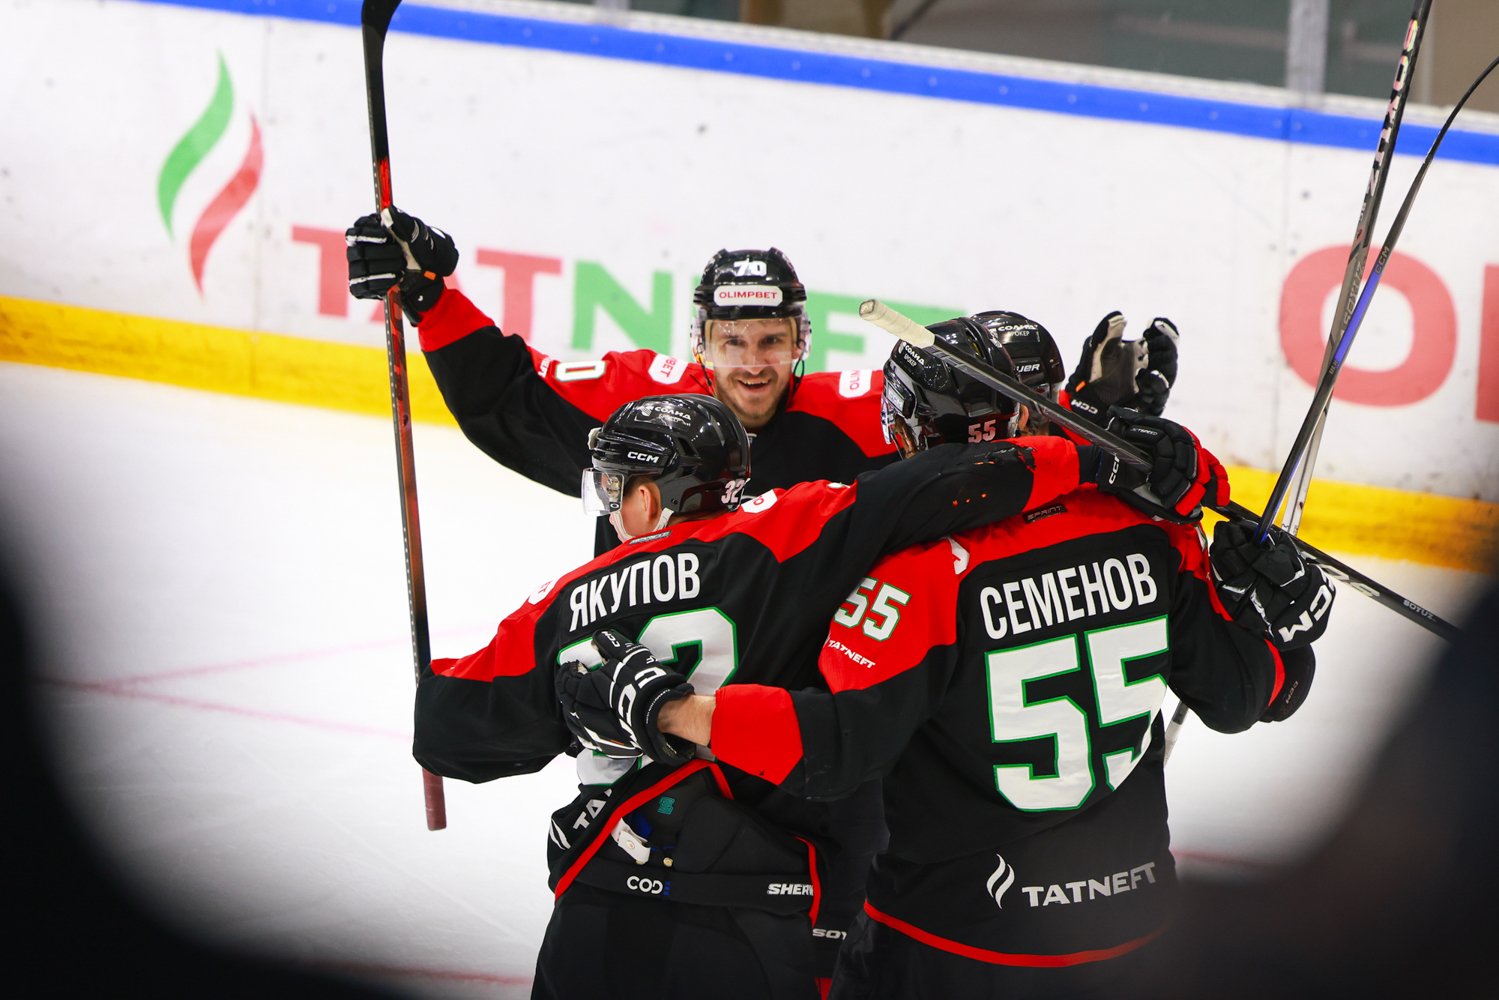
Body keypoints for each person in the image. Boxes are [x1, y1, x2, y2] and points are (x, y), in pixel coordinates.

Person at [564, 315, 1333, 998]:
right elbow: (1250, 693)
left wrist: (672, 708)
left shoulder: (915, 576)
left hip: (955, 943)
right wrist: (1283, 621)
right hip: (1132, 933)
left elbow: (832, 753)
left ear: (916, 433)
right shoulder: (1151, 531)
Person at [412, 378, 1219, 999]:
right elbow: (944, 485)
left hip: (600, 903)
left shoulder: (563, 604)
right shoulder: (786, 534)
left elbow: (450, 736)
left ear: (647, 496)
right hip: (770, 912)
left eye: (614, 488)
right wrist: (1096, 457)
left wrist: (577, 707)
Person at [343, 210, 1179, 557]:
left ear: (799, 342)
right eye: (732, 341)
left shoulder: (864, 412)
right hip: (646, 698)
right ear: (701, 342)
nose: (751, 361)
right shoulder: (639, 403)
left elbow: (981, 429)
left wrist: (1084, 419)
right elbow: (507, 398)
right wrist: (429, 296)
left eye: (771, 340)